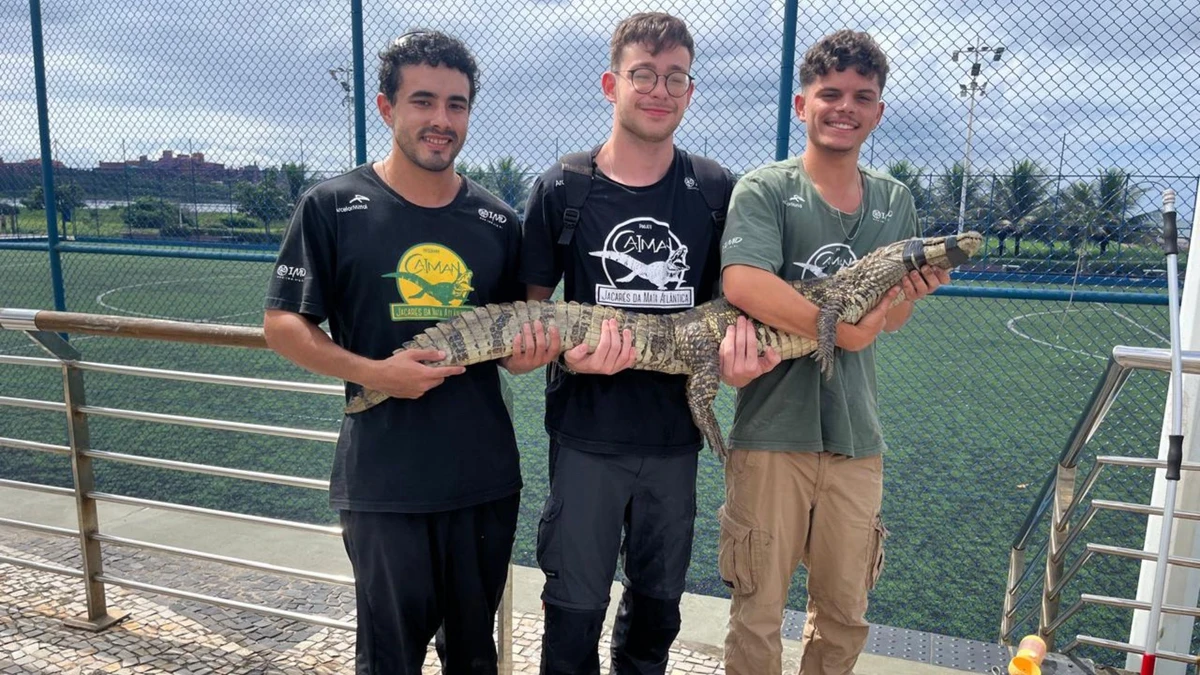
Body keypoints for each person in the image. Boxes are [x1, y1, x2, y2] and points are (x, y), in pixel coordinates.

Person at [262, 30, 558, 675]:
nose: (441, 120)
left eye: (457, 105)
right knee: (390, 657)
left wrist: (526, 354)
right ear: (387, 107)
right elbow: (283, 323)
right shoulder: (333, 206)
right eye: (424, 101)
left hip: (482, 478)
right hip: (384, 481)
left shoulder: (498, 222)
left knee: (474, 656)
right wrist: (375, 374)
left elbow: (508, 346)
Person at [520, 12, 779, 675]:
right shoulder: (562, 188)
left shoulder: (716, 190)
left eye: (675, 77)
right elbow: (529, 317)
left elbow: (734, 311)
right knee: (573, 614)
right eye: (643, 74)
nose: (659, 90)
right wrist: (562, 350)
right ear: (612, 84)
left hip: (673, 443)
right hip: (585, 441)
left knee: (657, 613)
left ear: (690, 91)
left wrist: (741, 362)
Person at [717, 30, 951, 675]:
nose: (844, 107)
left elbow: (892, 317)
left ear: (878, 111)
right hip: (771, 431)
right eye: (830, 94)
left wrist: (910, 295)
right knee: (759, 610)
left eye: (861, 96)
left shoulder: (893, 199)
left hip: (855, 437)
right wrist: (840, 329)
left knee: (846, 611)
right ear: (802, 105)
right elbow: (743, 282)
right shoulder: (764, 188)